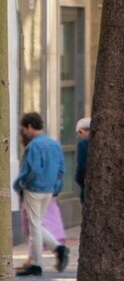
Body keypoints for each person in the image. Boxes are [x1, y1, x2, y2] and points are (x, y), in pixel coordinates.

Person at [14, 112, 68, 275]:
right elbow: (61, 169)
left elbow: (33, 170)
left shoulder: (34, 146)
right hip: (49, 190)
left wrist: (21, 183)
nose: (24, 132)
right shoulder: (54, 144)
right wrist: (55, 187)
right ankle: (58, 249)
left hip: (34, 189)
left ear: (30, 127)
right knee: (37, 225)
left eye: (24, 128)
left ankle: (37, 263)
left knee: (35, 226)